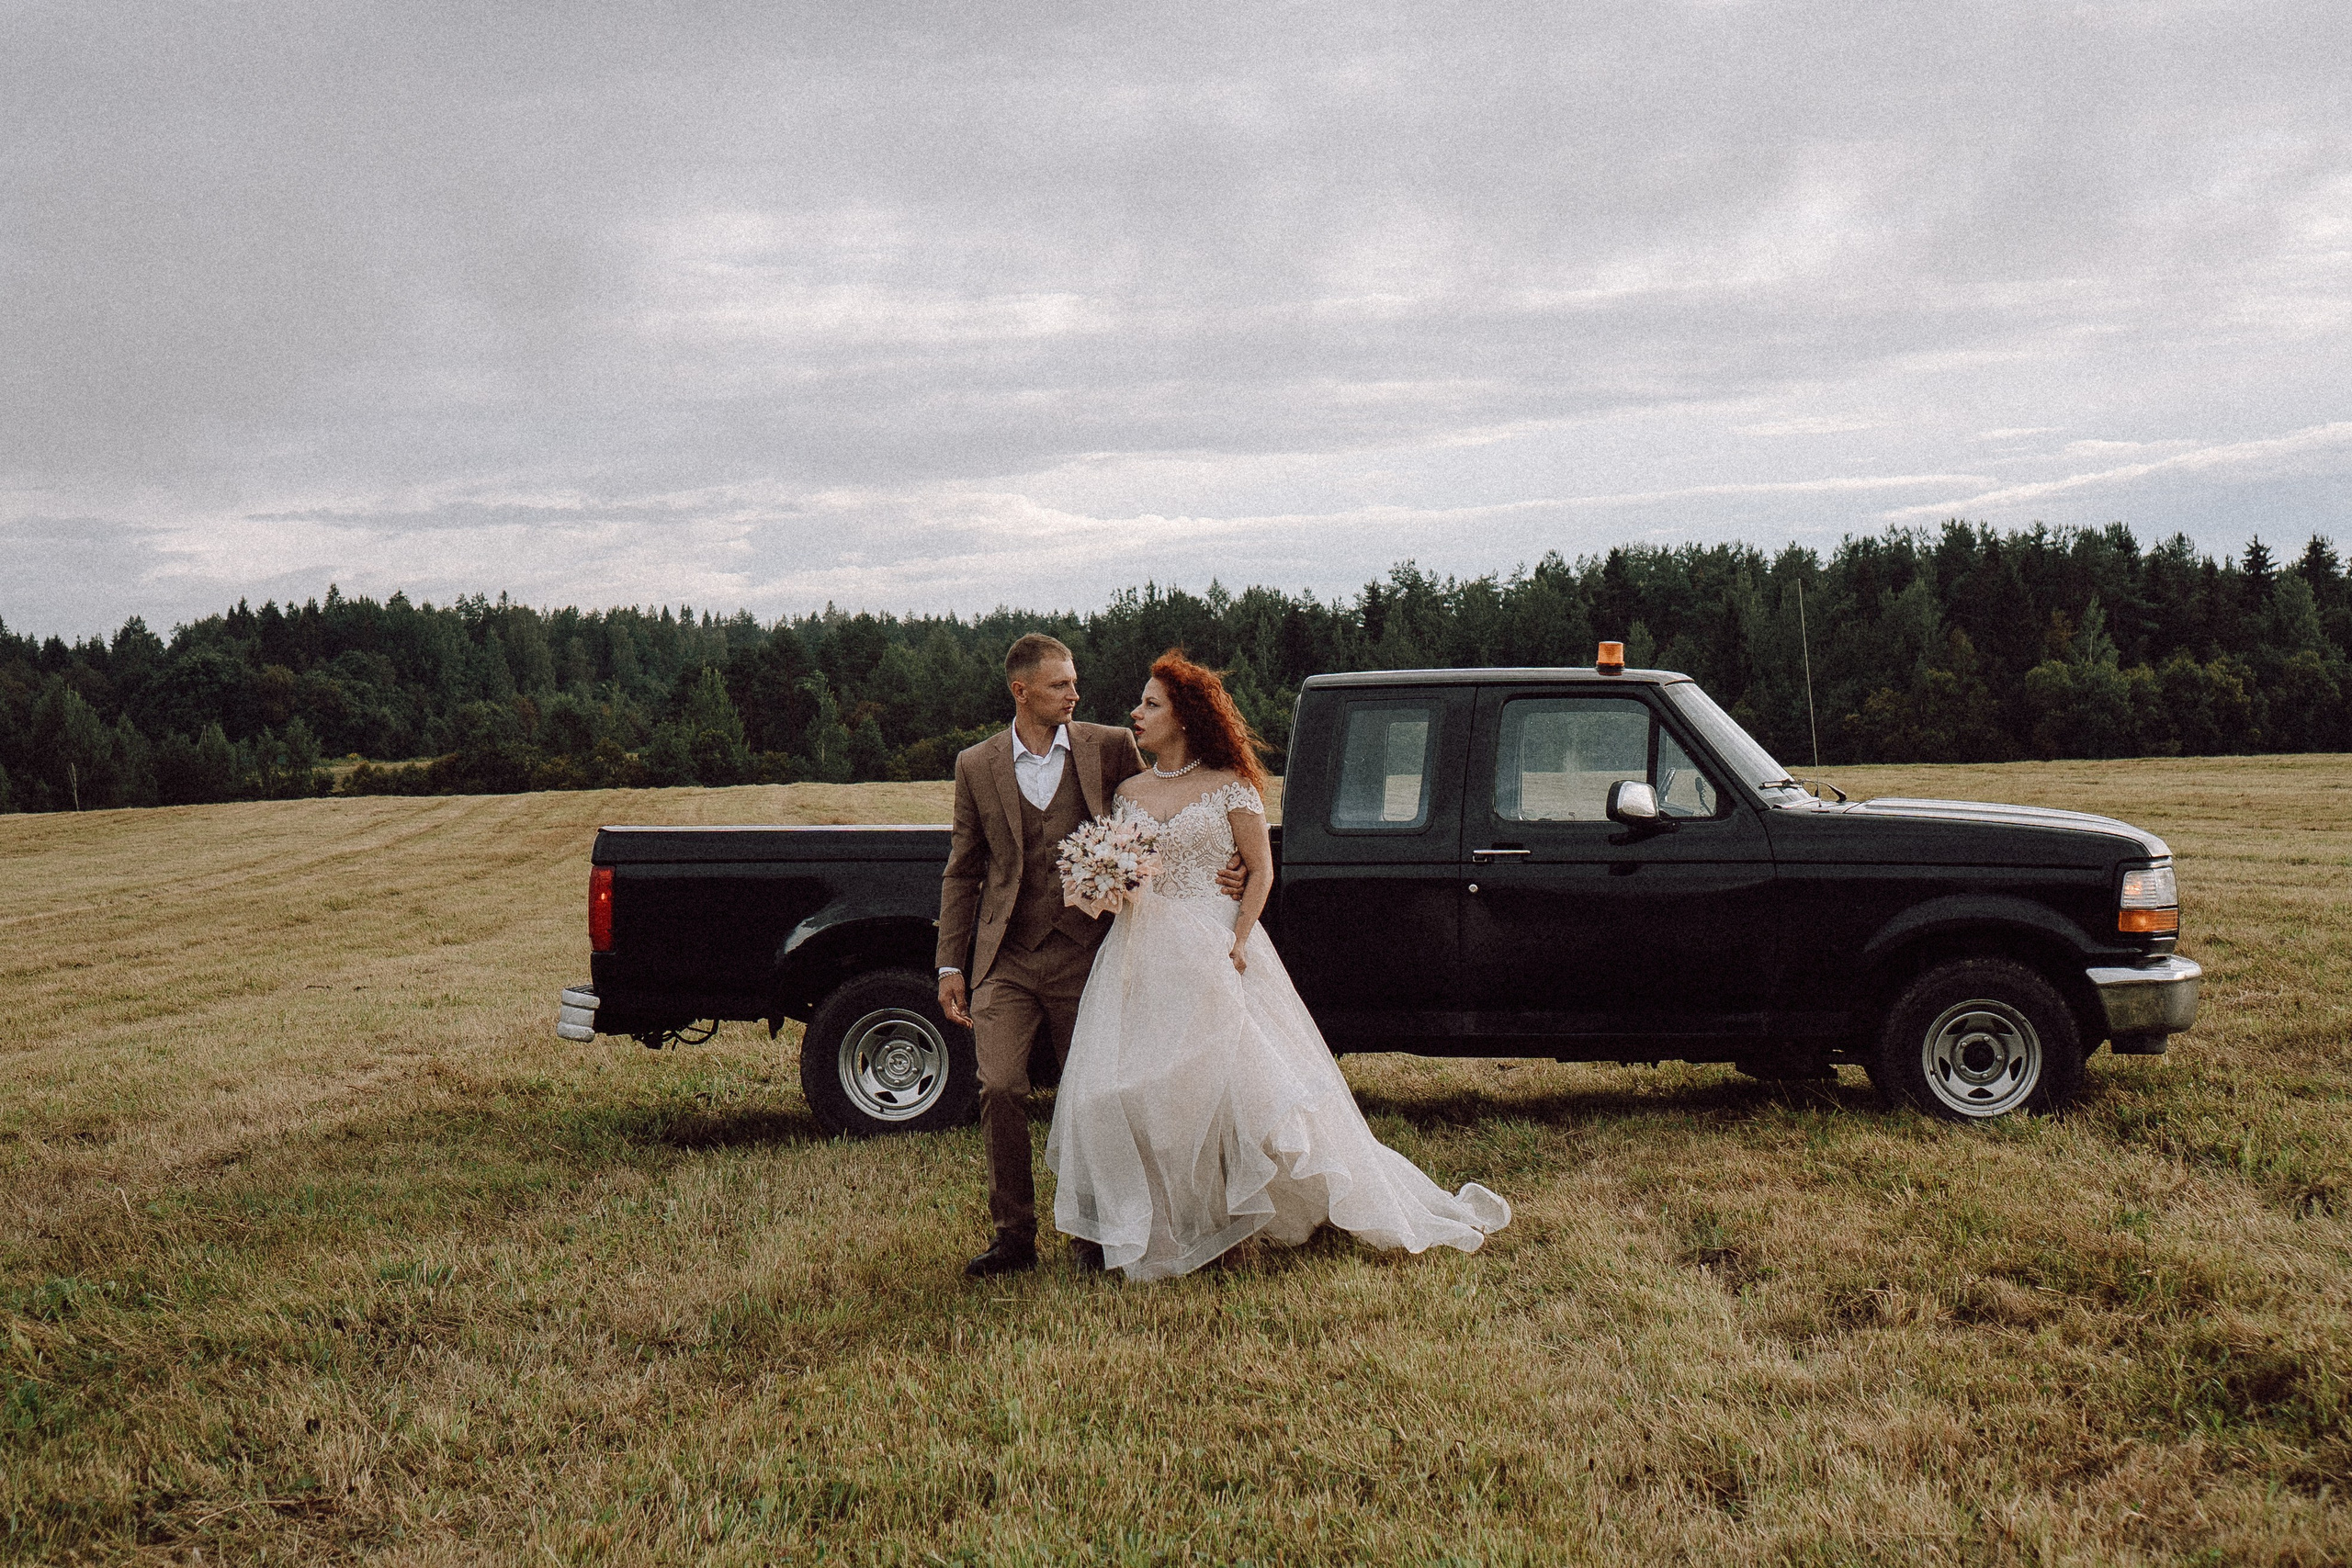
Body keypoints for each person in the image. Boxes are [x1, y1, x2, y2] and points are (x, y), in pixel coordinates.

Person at [1047, 650, 1510, 1281]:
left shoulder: (1230, 785)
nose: (1137, 712)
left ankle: (1233, 1228)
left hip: (1213, 945)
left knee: (1227, 1088)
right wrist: (1105, 879)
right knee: (1129, 1087)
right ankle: (1139, 1223)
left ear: (1185, 716)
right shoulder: (1128, 792)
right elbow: (1123, 871)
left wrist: (1238, 937)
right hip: (1139, 951)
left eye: (1151, 703)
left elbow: (1260, 869)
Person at [935, 634, 1244, 1279]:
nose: (1075, 693)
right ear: (1021, 691)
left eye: (1074, 681)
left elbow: (1160, 812)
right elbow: (964, 871)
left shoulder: (1107, 747)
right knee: (998, 1086)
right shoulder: (976, 764)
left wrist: (1231, 864)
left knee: (1097, 1095)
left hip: (1088, 955)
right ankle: (1013, 1236)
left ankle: (1097, 1233)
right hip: (1008, 959)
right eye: (1059, 685)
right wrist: (951, 964)